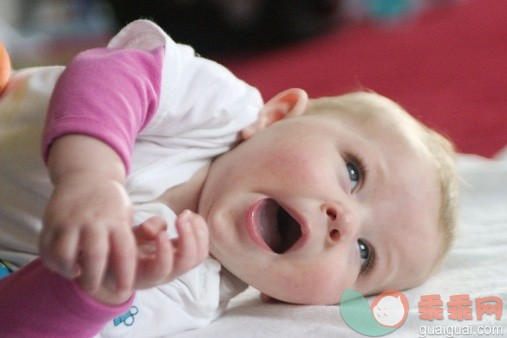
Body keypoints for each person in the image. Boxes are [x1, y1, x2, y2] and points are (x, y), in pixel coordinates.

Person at [0, 20, 458, 337]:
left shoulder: (189, 294)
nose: (346, 223)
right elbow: (107, 72)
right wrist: (89, 177)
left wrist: (92, 289)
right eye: (354, 173)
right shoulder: (223, 109)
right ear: (277, 116)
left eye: (365, 254)